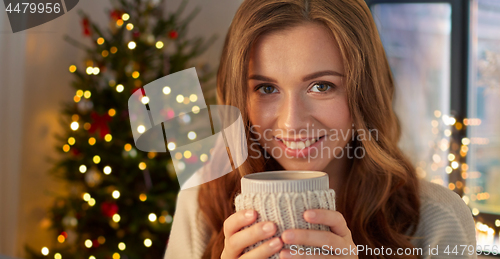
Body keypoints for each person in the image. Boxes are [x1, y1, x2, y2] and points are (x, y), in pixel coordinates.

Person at [164, 0, 477, 258]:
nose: (291, 123)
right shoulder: (201, 205)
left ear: (363, 93)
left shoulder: (437, 219)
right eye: (266, 89)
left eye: (321, 86)